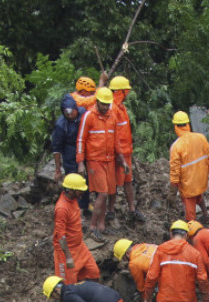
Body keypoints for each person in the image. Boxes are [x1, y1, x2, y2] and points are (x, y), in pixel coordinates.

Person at [76, 87, 121, 243]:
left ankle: (101, 226)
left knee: (108, 192)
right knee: (101, 193)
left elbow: (116, 140)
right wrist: (80, 163)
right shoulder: (89, 116)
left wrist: (120, 158)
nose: (106, 108)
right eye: (103, 105)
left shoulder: (112, 116)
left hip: (109, 160)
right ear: (97, 102)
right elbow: (81, 140)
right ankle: (93, 227)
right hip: (95, 160)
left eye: (108, 105)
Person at [169, 111, 209, 223]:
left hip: (188, 185)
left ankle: (192, 230)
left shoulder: (176, 146)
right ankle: (206, 215)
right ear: (188, 124)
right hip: (201, 180)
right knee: (199, 196)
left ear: (175, 126)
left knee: (190, 214)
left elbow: (175, 170)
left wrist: (172, 191)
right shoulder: (200, 138)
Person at [108, 76, 144, 222]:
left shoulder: (121, 107)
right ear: (121, 92)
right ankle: (110, 210)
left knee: (128, 181)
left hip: (126, 151)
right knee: (115, 183)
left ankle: (132, 209)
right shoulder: (113, 109)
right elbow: (112, 133)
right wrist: (117, 153)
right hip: (118, 153)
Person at [53, 174, 100, 284]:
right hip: (67, 250)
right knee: (68, 285)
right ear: (71, 190)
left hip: (79, 246)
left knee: (93, 273)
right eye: (80, 190)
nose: (82, 193)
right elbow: (61, 236)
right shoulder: (61, 208)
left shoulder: (73, 199)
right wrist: (68, 257)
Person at [51, 95, 81, 186]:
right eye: (66, 112)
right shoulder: (61, 125)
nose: (69, 114)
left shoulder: (83, 114)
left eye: (71, 111)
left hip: (85, 150)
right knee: (74, 183)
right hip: (70, 154)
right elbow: (56, 148)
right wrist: (58, 170)